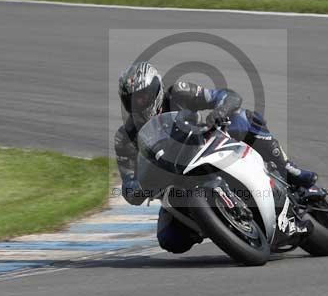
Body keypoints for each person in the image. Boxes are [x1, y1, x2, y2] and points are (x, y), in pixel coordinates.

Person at [114, 61, 317, 253]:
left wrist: (220, 111)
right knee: (170, 239)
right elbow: (129, 185)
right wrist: (140, 189)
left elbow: (228, 97)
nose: (138, 102)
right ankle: (213, 223)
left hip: (204, 146)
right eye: (131, 99)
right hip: (175, 184)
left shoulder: (178, 93)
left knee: (243, 119)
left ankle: (288, 168)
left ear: (155, 90)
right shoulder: (124, 137)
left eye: (142, 96)